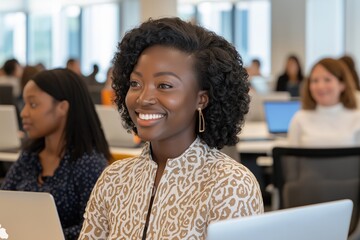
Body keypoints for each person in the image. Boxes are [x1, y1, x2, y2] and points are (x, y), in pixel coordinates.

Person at [79, 17, 263, 240]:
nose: (144, 98)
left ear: (201, 99)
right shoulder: (114, 179)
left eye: (164, 85)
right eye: (135, 83)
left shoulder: (230, 184)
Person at [1, 68, 111, 240]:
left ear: (62, 107)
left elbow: (94, 229)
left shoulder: (89, 164)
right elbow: (4, 205)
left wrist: (37, 235)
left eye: (33, 104)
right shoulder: (30, 156)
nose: (24, 113)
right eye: (25, 104)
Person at [287, 58, 360, 147]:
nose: (320, 86)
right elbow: (291, 159)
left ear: (342, 84)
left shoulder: (357, 119)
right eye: (315, 80)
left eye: (327, 80)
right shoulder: (299, 119)